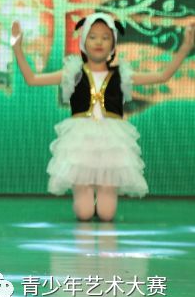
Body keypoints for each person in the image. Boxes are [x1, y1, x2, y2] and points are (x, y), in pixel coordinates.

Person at [11, 13, 193, 221]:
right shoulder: (73, 72)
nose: (99, 42)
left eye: (105, 37)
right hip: (81, 140)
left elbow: (162, 76)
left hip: (112, 141)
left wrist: (185, 47)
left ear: (113, 44)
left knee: (107, 215)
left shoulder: (122, 75)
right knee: (84, 213)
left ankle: (103, 199)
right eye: (93, 37)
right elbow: (32, 79)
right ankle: (85, 196)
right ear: (83, 41)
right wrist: (17, 48)